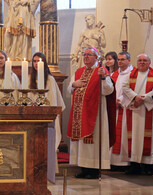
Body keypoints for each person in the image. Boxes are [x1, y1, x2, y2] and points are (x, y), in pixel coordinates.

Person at [67, 46, 115, 179]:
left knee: (93, 142)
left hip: (96, 113)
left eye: (89, 55)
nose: (86, 57)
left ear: (96, 57)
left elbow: (108, 91)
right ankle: (83, 168)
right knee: (81, 143)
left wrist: (103, 78)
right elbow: (68, 89)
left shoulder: (101, 71)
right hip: (79, 113)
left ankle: (93, 170)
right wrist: (73, 85)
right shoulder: (78, 72)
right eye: (84, 54)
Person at [122, 53, 153, 175]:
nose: (142, 62)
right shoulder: (130, 75)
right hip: (134, 110)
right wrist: (135, 97)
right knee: (134, 137)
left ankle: (149, 166)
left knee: (150, 137)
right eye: (140, 60)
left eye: (145, 60)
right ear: (136, 62)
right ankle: (134, 165)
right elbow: (125, 87)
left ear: (149, 62)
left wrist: (143, 98)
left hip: (147, 110)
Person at [28, 52, 66, 183]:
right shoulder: (29, 79)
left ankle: (48, 173)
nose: (36, 64)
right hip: (32, 117)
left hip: (47, 117)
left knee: (48, 143)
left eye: (39, 61)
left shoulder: (49, 79)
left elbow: (53, 100)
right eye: (34, 61)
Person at [110, 51, 133, 171]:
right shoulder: (114, 74)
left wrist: (121, 101)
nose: (120, 61)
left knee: (124, 136)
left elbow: (133, 90)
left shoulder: (133, 74)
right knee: (115, 135)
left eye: (123, 59)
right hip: (115, 109)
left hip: (126, 109)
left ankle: (125, 163)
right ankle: (114, 162)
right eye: (118, 59)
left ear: (129, 60)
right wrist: (113, 101)